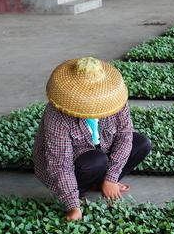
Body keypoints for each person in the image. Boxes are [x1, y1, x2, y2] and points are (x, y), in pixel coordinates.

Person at [33, 57, 151, 221]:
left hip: (101, 151)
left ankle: (103, 183)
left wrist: (111, 178)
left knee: (141, 144)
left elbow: (125, 136)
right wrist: (73, 206)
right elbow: (60, 164)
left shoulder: (114, 100)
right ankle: (79, 191)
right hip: (77, 163)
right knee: (97, 160)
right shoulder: (57, 114)